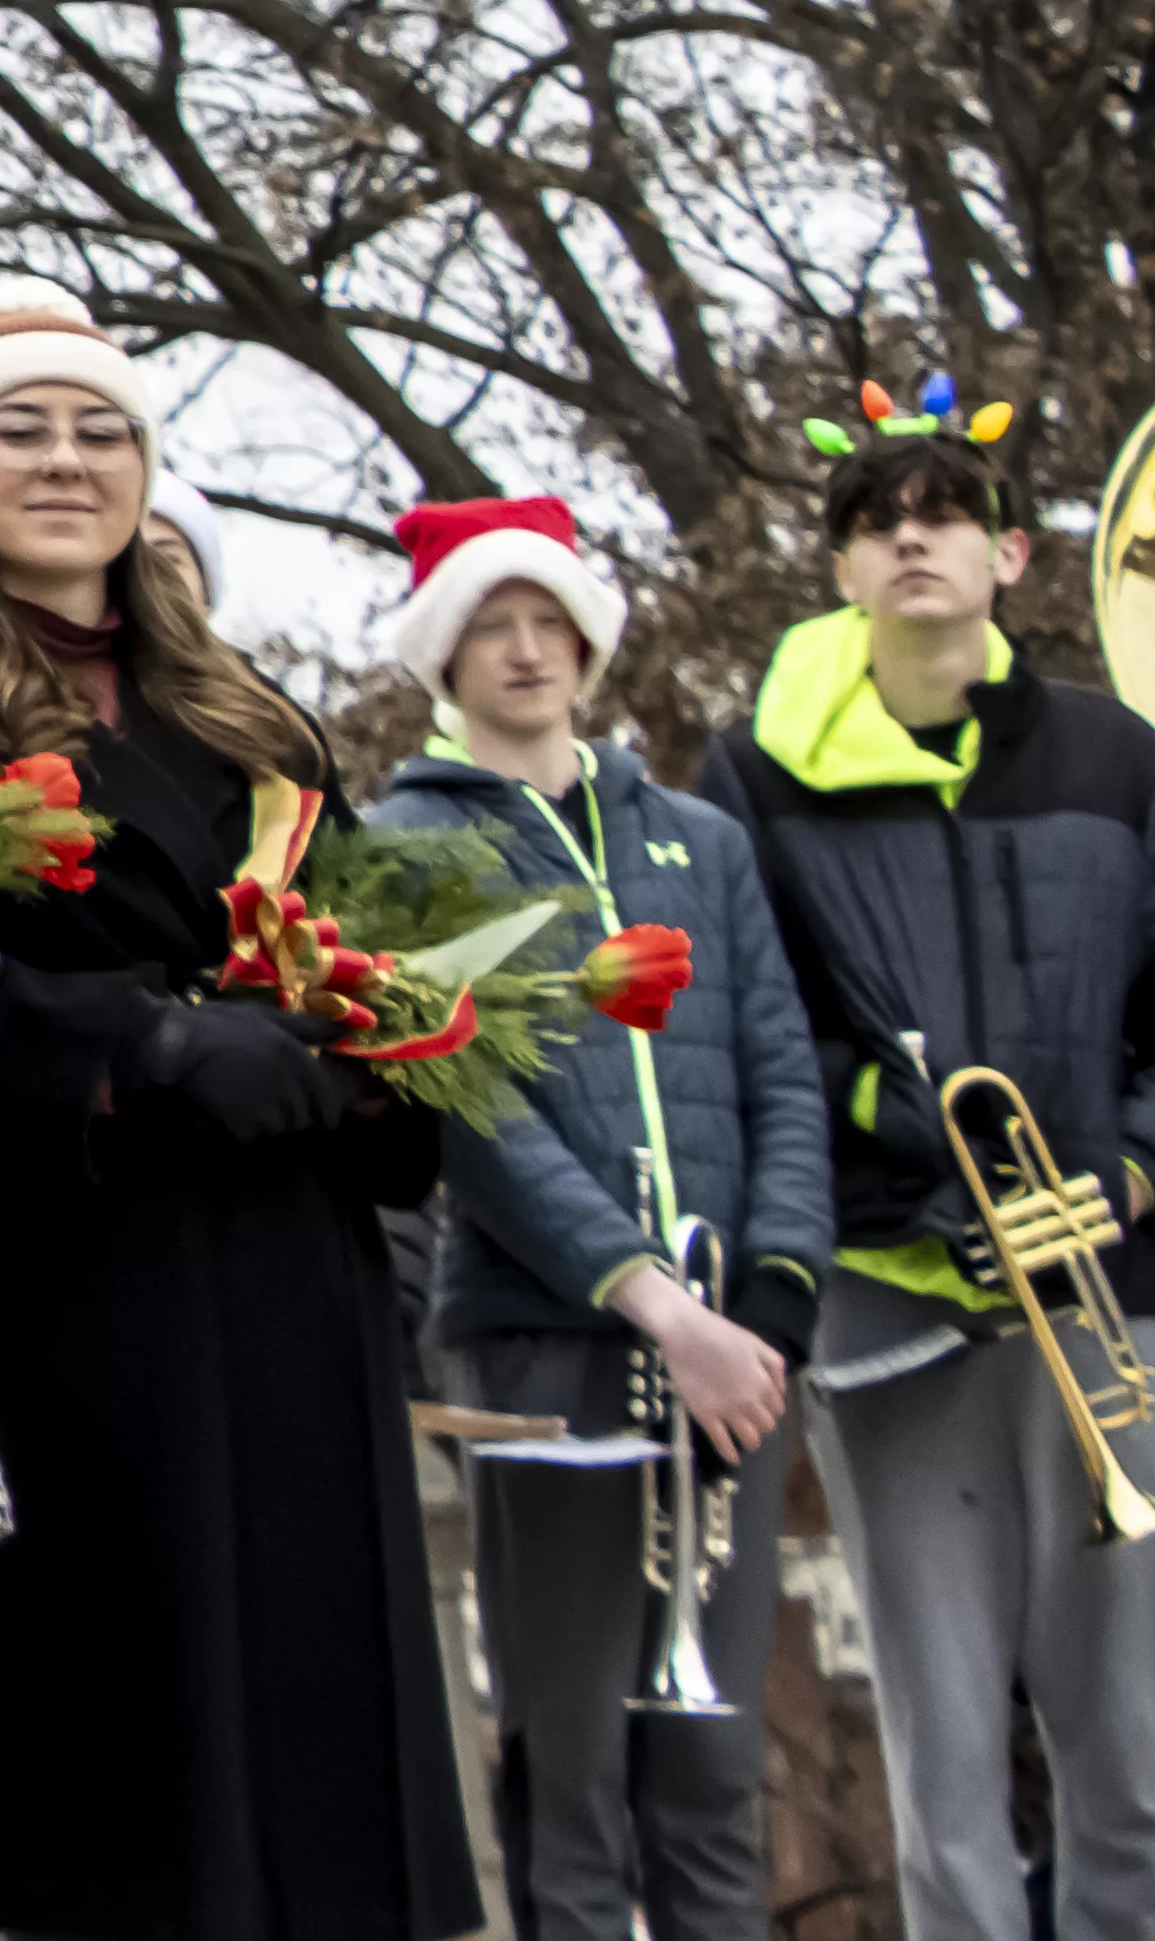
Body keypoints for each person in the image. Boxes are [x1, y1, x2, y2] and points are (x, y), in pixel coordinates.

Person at [0, 273, 475, 1941]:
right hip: (75, 1279)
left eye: (102, 432)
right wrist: (136, 1043)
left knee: (310, 1752)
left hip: (294, 1269)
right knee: (126, 1781)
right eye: (21, 432)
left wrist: (370, 1067)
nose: (67, 463)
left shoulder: (254, 721)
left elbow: (364, 952)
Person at [709, 402, 1155, 1941]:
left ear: (1010, 555)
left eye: (947, 509)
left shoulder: (1112, 753)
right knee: (943, 1752)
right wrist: (897, 1127)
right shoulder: (753, 774)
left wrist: (1149, 1170)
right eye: (875, 514)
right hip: (901, 1305)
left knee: (1127, 1758)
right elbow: (748, 1028)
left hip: (1104, 1293)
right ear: (837, 564)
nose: (912, 533)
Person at [352, 491, 824, 1941]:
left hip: (735, 1360)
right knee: (572, 1773)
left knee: (710, 1769)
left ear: (585, 636)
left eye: (544, 617)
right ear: (444, 653)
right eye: (487, 623)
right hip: (548, 1350)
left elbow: (778, 1069)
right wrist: (651, 1300)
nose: (522, 648)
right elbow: (474, 1122)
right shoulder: (401, 849)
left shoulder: (696, 835)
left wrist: (772, 1299)